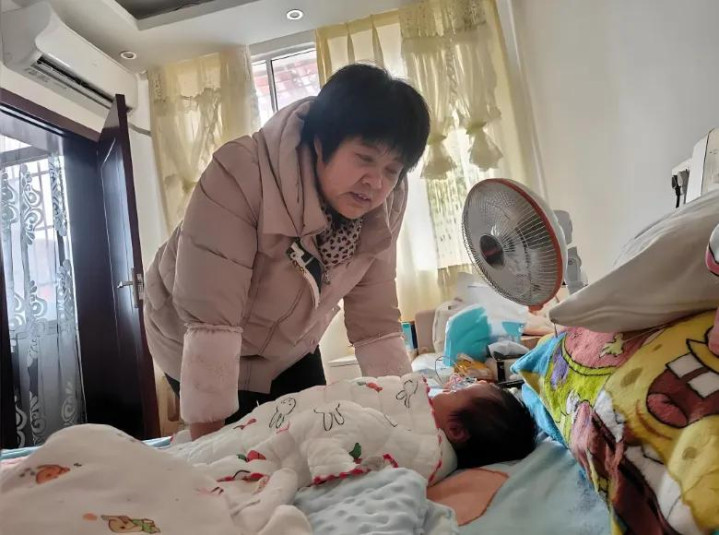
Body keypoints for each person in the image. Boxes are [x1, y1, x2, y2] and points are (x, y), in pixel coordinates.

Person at [144, 64, 431, 440]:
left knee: (316, 438)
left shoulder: (385, 204)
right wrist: (209, 450)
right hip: (195, 335)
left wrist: (410, 425)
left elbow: (375, 320)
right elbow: (211, 318)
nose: (375, 182)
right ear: (321, 143)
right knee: (235, 449)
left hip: (288, 345)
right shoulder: (241, 173)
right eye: (364, 158)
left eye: (392, 170)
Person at [167, 375, 538, 486]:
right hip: (279, 414)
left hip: (280, 440)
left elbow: (346, 423)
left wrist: (327, 459)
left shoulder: (426, 450)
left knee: (207, 456)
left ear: (456, 430)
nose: (447, 388)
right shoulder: (423, 418)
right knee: (229, 434)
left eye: (457, 392)